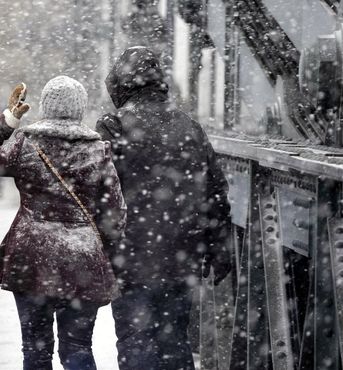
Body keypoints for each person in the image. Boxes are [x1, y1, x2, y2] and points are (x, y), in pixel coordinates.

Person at [0, 76, 126, 370]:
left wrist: (9, 120)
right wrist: (101, 247)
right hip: (82, 257)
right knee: (78, 347)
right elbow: (116, 213)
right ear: (81, 108)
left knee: (35, 349)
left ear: (45, 107)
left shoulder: (24, 145)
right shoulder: (98, 151)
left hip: (31, 257)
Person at [95, 46, 233, 370]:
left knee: (135, 339)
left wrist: (98, 249)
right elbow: (215, 191)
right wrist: (219, 247)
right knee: (174, 340)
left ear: (120, 83)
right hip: (181, 255)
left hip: (130, 257)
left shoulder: (115, 128)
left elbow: (97, 195)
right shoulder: (189, 127)